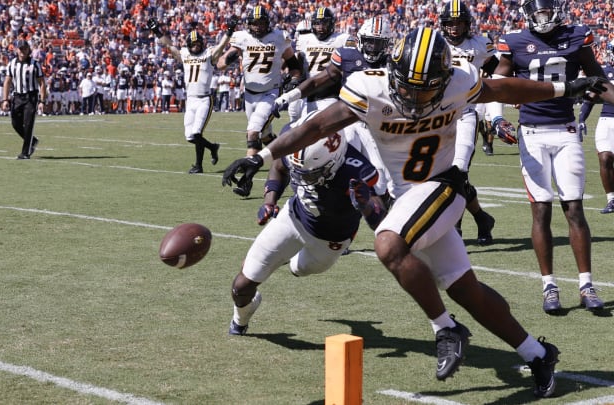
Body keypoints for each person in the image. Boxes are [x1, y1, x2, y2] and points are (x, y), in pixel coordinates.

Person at [223, 27, 607, 397]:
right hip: (407, 195)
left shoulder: (459, 80)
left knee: (388, 244)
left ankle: (445, 329)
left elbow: (503, 88)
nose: (418, 99)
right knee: (465, 290)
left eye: (427, 90)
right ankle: (538, 355)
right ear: (392, 71)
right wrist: (261, 156)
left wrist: (563, 88)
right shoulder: (369, 88)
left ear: (445, 78)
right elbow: (317, 125)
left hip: (443, 185)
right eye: (409, 87)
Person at [490, 0, 614, 314]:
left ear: (555, 12)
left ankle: (586, 285)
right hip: (531, 133)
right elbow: (497, 86)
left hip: (566, 130)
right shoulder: (515, 40)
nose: (542, 19)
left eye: (545, 13)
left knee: (574, 208)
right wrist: (495, 119)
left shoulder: (576, 35)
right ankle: (550, 287)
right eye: (536, 15)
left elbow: (597, 79)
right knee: (541, 210)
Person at [229, 111, 385, 335]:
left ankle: (283, 258)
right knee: (242, 286)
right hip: (294, 217)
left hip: (332, 240)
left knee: (298, 269)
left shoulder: (359, 170)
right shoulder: (295, 139)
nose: (302, 177)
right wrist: (270, 200)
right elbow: (280, 167)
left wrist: (366, 205)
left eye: (311, 173)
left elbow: (382, 219)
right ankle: (240, 320)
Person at [274, 15, 394, 197]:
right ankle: (311, 194)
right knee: (335, 162)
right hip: (349, 121)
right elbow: (317, 81)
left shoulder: (392, 63)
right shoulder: (347, 56)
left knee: (381, 180)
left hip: (376, 126)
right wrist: (289, 96)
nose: (373, 47)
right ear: (361, 39)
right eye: (370, 42)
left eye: (378, 43)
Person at [216, 5, 303, 196]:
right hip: (249, 94)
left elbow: (294, 64)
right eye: (254, 23)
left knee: (253, 132)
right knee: (264, 136)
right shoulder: (241, 38)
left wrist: (295, 79)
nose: (258, 27)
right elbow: (221, 63)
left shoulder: (279, 37)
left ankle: (246, 181)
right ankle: (289, 157)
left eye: (261, 22)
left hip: (270, 93)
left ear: (268, 23)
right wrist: (227, 59)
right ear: (249, 24)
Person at [439, 0, 498, 245]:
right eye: (450, 23)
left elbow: (499, 69)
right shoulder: (435, 43)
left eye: (459, 23)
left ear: (467, 24)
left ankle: (456, 230)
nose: (454, 28)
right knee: (446, 176)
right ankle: (482, 218)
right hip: (438, 117)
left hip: (465, 114)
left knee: (458, 173)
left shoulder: (480, 44)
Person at [147, 17, 237, 173]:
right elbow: (169, 46)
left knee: (197, 133)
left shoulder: (209, 54)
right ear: (189, 45)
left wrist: (229, 31)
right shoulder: (185, 55)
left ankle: (198, 165)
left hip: (204, 99)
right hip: (191, 100)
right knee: (190, 136)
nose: (196, 46)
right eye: (193, 44)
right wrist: (156, 31)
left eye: (198, 44)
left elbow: (222, 45)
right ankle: (213, 147)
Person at [287, 7, 353, 119]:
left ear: (331, 24)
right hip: (309, 92)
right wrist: (295, 78)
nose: (320, 27)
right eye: (317, 24)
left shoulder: (343, 39)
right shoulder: (305, 39)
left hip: (330, 92)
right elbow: (299, 62)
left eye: (324, 24)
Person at [578, 46, 614, 214]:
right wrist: (581, 118)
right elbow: (592, 95)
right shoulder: (605, 71)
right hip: (606, 119)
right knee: (605, 158)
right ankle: (611, 199)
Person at [1, 39, 47, 160]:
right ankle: (33, 141)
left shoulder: (35, 64)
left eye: (25, 49)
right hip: (17, 96)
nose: (22, 51)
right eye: (20, 49)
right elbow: (7, 81)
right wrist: (5, 99)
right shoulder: (12, 64)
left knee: (28, 124)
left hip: (31, 97)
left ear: (28, 50)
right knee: (15, 123)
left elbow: (42, 83)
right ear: (16, 50)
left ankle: (25, 152)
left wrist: (42, 101)